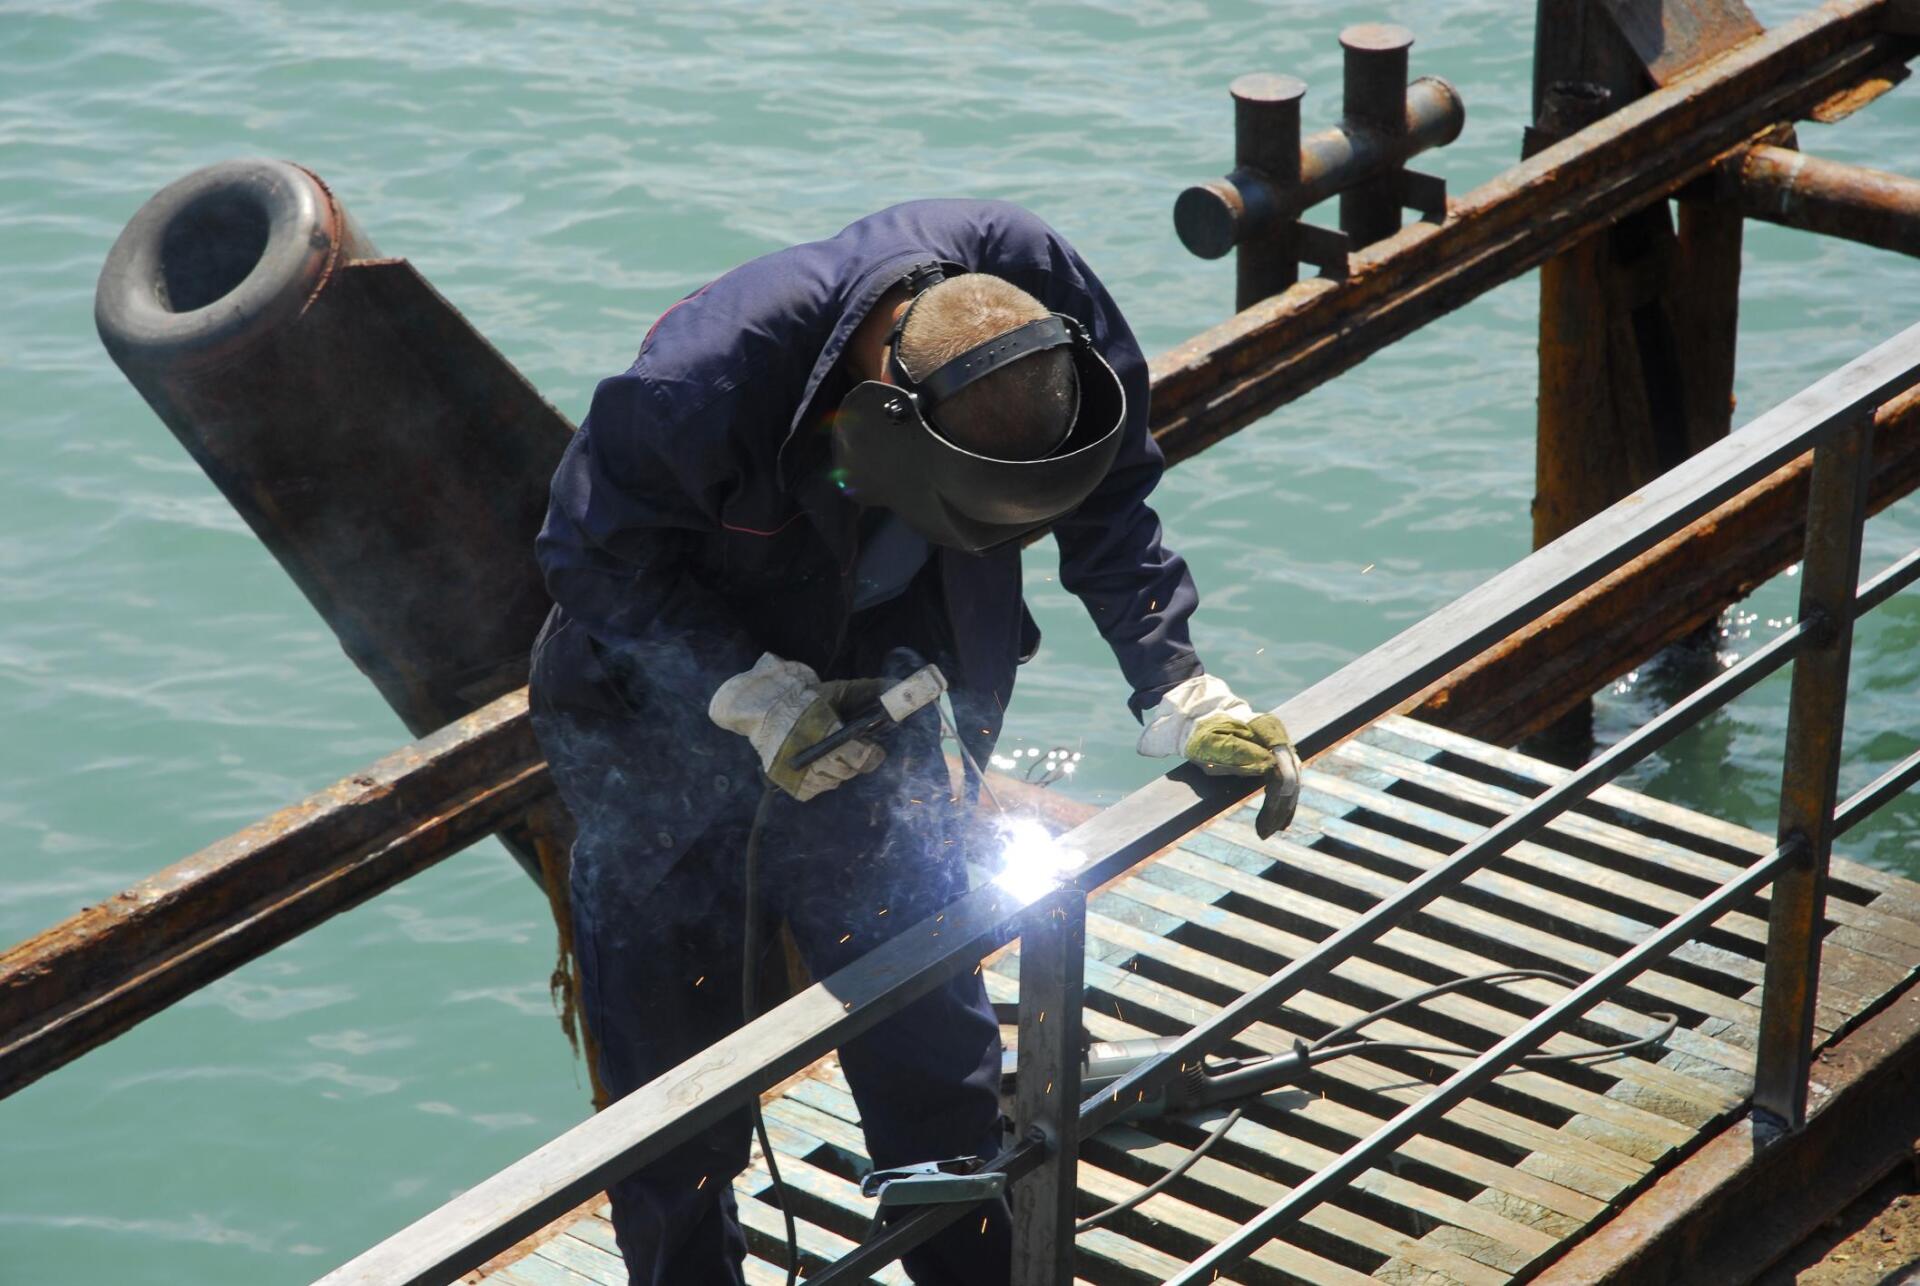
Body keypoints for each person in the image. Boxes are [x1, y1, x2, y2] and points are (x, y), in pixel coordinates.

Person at [528, 199, 1297, 1286]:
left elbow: (1114, 491)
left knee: (932, 1045)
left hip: (873, 708)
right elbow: (588, 553)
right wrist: (747, 692)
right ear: (875, 423)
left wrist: (1176, 679)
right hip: (657, 733)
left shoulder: (1034, 290)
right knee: (676, 1103)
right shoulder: (700, 382)